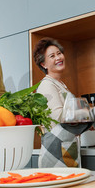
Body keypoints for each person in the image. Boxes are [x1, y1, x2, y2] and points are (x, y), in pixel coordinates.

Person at [33, 37, 78, 168]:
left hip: (66, 146)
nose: (58, 57)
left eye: (59, 53)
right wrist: (84, 117)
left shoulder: (60, 84)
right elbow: (59, 115)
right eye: (52, 56)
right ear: (44, 64)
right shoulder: (46, 85)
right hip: (55, 150)